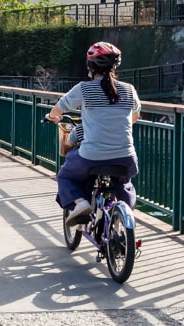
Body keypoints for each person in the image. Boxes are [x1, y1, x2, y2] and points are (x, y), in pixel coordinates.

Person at [46, 42, 141, 225]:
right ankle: (124, 215)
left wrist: (52, 117)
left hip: (92, 156)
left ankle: (81, 202)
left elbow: (59, 108)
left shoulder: (84, 88)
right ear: (115, 66)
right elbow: (134, 117)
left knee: (65, 175)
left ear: (90, 66)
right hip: (126, 156)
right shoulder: (129, 89)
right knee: (123, 183)